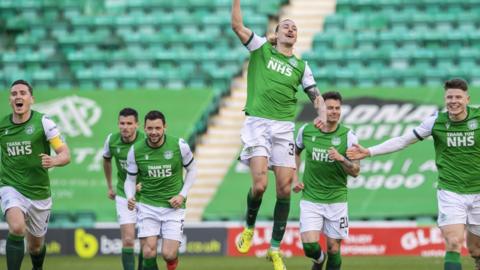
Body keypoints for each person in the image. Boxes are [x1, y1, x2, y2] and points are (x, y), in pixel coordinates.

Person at [346, 78, 480, 270]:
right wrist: (369, 151)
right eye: (449, 97)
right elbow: (402, 141)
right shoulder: (435, 122)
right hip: (451, 191)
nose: (453, 101)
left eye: (458, 97)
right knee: (453, 241)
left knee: (476, 250)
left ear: (467, 99)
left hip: (478, 191)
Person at [231, 0, 326, 269]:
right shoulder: (261, 49)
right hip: (258, 123)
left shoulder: (301, 66)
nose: (291, 28)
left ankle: (274, 249)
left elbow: (316, 97)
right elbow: (237, 25)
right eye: (286, 25)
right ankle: (249, 227)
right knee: (260, 185)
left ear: (296, 37)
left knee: (284, 190)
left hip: (284, 128)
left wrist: (321, 115)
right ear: (276, 34)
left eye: (294, 27)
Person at [0, 80, 70, 270]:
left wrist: (54, 160)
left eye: (23, 93)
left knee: (35, 246)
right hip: (10, 186)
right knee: (16, 228)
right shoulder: (2, 126)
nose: (18, 96)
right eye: (14, 94)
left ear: (31, 99)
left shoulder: (43, 122)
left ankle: (37, 267)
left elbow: (65, 154)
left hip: (39, 193)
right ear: (10, 100)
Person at [294, 91, 359, 270]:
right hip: (311, 199)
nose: (334, 111)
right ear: (322, 109)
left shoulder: (349, 136)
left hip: (336, 200)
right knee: (309, 246)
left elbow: (355, 171)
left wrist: (342, 159)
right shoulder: (306, 130)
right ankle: (319, 259)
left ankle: (325, 259)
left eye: (337, 108)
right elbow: (295, 152)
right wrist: (295, 178)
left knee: (333, 248)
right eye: (330, 108)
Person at [124, 110, 196, 270]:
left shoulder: (179, 145)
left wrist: (182, 195)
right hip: (147, 205)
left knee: (168, 254)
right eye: (150, 128)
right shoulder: (135, 150)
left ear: (165, 127)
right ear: (144, 128)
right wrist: (130, 195)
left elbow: (192, 170)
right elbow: (130, 179)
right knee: (148, 251)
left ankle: (172, 262)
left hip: (173, 207)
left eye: (157, 128)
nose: (154, 132)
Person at [103, 107, 144, 270]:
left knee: (146, 241)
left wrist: (145, 184)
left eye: (129, 123)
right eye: (122, 123)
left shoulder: (146, 141)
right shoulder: (111, 140)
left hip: (146, 195)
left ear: (137, 125)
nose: (125, 127)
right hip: (123, 194)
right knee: (128, 239)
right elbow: (106, 160)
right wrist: (109, 186)